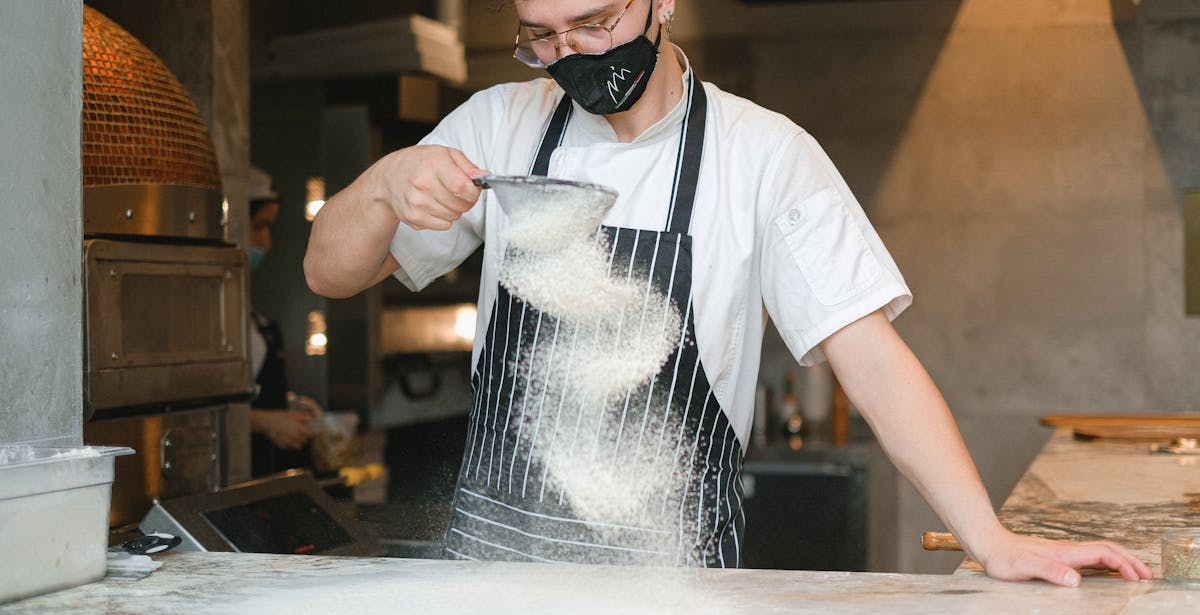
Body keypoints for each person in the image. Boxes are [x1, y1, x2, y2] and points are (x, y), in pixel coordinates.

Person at [303, 0, 1150, 585]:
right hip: (492, 582)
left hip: (669, 586)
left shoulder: (764, 157)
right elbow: (327, 273)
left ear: (660, 2)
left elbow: (871, 360)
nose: (574, 55)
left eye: (596, 23)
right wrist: (382, 186)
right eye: (544, 37)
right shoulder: (498, 124)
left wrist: (989, 539)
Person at [248, 166, 323, 477]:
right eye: (259, 226)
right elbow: (196, 411)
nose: (266, 243)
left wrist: (284, 405)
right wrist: (266, 422)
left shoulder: (252, 314)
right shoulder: (204, 312)